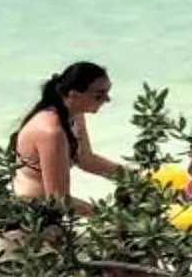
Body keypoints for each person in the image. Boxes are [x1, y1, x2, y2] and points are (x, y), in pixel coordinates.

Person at [10, 61, 121, 213]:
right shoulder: (51, 131)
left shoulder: (75, 114)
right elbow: (58, 199)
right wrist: (106, 216)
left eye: (107, 93)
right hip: (30, 213)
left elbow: (87, 160)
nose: (107, 100)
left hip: (51, 209)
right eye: (99, 95)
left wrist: (137, 179)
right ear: (73, 95)